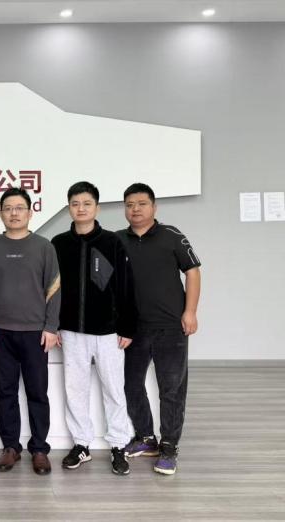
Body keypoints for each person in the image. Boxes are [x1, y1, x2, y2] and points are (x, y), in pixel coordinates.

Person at [52, 181, 136, 475]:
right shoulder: (59, 243)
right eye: (75, 204)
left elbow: (125, 285)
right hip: (71, 330)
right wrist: (54, 324)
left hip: (108, 331)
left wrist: (127, 327)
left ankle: (119, 445)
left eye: (87, 203)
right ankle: (81, 444)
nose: (81, 209)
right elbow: (52, 288)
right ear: (69, 208)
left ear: (97, 208)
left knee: (114, 389)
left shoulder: (112, 242)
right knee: (75, 389)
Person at [118, 183, 201, 475]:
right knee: (131, 384)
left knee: (172, 388)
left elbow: (192, 272)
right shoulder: (117, 240)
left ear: (154, 207)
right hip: (133, 329)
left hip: (171, 327)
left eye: (141, 203)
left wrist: (190, 311)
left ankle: (169, 445)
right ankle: (145, 438)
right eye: (129, 204)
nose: (135, 209)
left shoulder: (172, 236)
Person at [0, 188, 61, 475]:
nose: (13, 213)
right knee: (5, 392)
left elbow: (54, 289)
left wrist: (51, 327)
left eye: (19, 208)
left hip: (35, 332)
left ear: (30, 212)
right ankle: (11, 447)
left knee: (37, 392)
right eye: (8, 208)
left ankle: (39, 449)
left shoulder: (44, 247)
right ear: (0, 212)